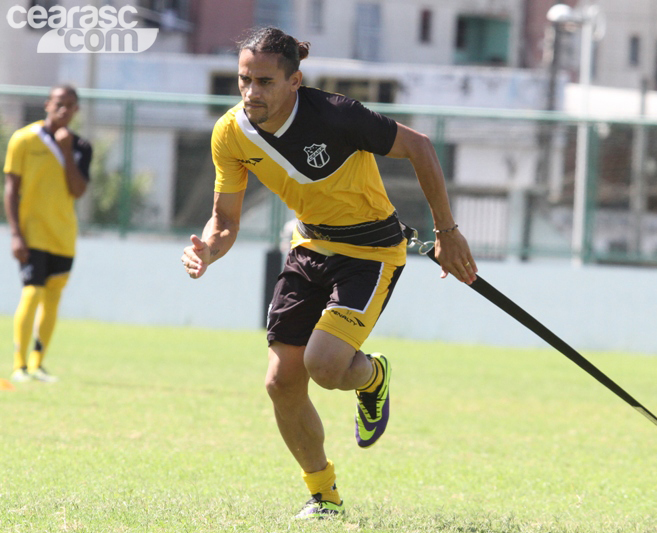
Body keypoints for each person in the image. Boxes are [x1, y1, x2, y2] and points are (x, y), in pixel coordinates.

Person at [181, 27, 477, 518]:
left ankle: (372, 375)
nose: (251, 92)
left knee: (323, 366)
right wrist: (208, 250)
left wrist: (446, 231)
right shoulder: (230, 133)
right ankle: (324, 496)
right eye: (244, 80)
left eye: (265, 82)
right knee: (281, 382)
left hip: (371, 253)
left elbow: (421, 147)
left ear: (294, 81)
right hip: (310, 246)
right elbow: (225, 220)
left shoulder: (338, 115)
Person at [4, 84, 91, 383]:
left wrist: (66, 151)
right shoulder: (24, 139)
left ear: (76, 110)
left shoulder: (81, 147)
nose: (63, 109)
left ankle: (37, 364)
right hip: (32, 233)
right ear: (47, 105)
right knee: (32, 292)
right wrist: (16, 233)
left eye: (70, 105)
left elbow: (78, 191)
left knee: (53, 298)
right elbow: (11, 190)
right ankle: (19, 366)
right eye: (58, 103)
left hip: (63, 235)